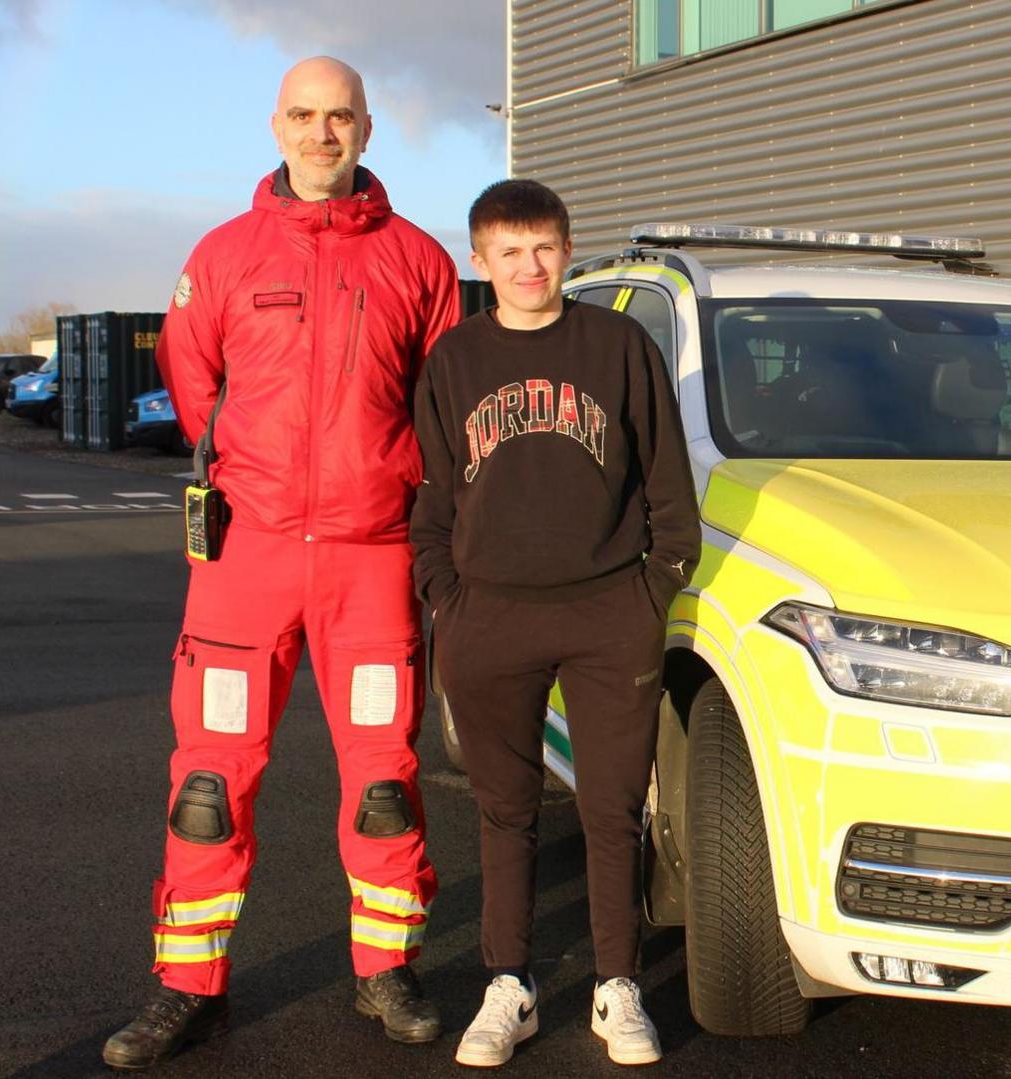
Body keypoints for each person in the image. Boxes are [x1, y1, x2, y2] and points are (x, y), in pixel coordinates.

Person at [102, 56, 461, 1071]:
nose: (320, 133)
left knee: (384, 778)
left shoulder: (419, 262)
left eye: (338, 116)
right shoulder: (220, 256)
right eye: (303, 115)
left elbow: (439, 405)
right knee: (209, 782)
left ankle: (385, 966)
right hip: (246, 559)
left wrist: (397, 497)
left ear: (367, 127)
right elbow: (191, 384)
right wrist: (249, 488)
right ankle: (189, 988)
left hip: (372, 558)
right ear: (275, 125)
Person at [410, 179, 700, 1068]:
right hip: (488, 617)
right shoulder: (455, 359)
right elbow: (430, 495)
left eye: (544, 248)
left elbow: (667, 486)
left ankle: (619, 986)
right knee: (506, 811)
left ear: (568, 250)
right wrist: (447, 598)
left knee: (613, 811)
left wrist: (653, 591)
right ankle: (511, 985)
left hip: (610, 611)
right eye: (509, 251)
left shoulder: (616, 345)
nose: (529, 266)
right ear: (480, 260)